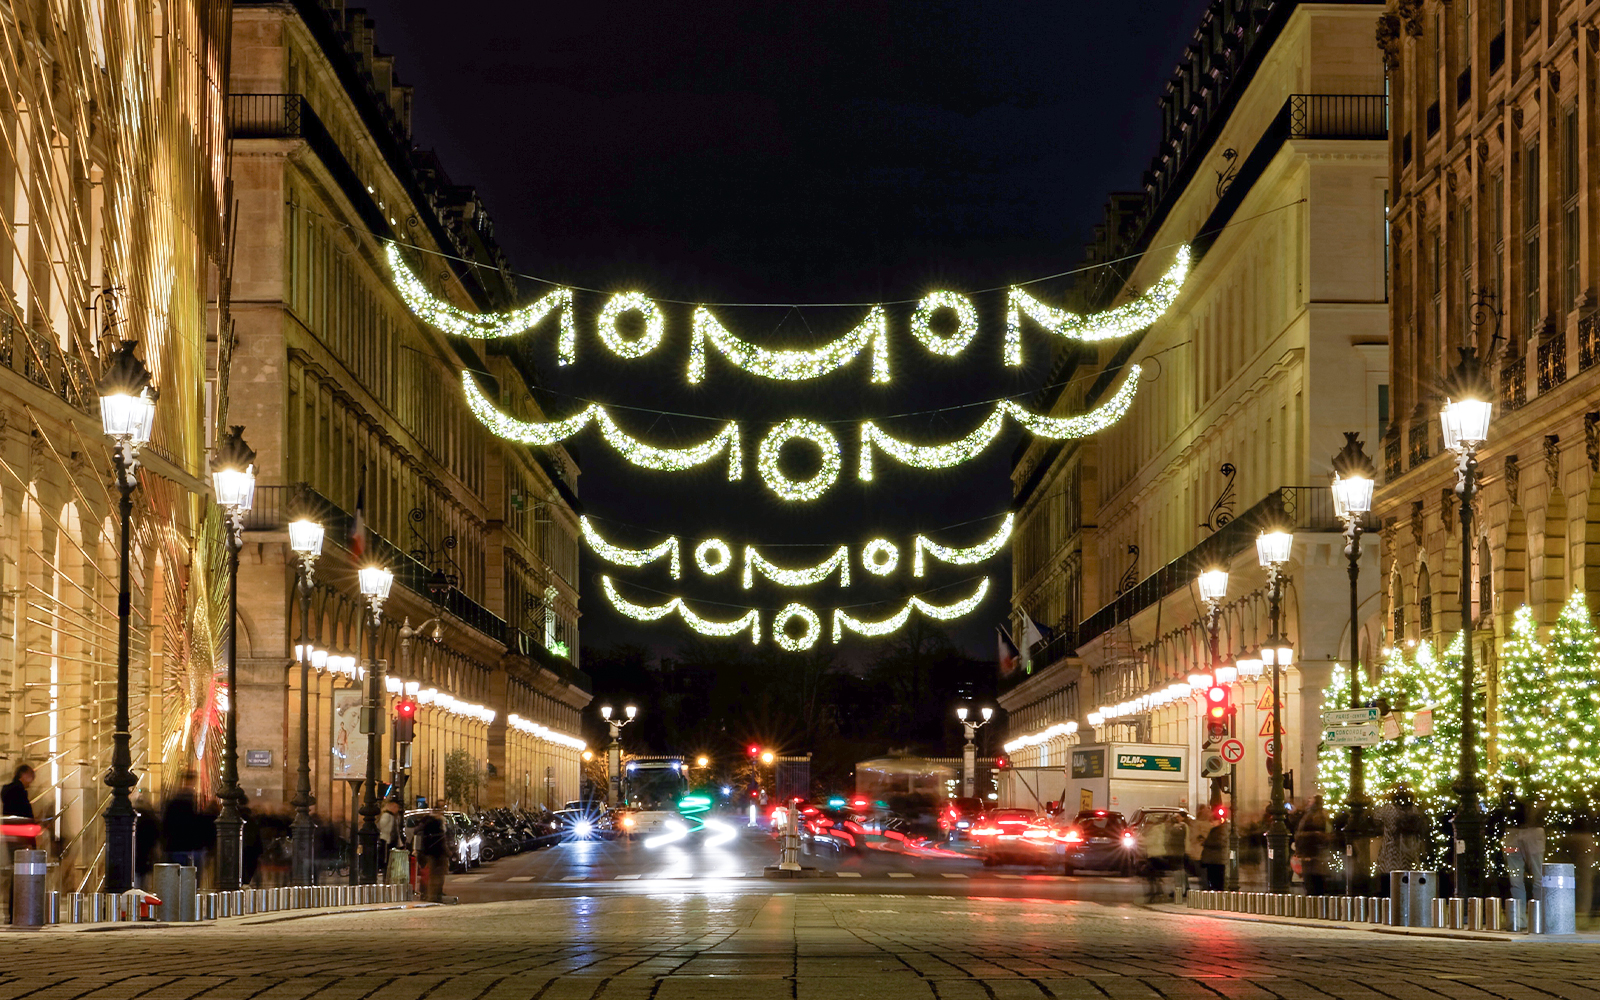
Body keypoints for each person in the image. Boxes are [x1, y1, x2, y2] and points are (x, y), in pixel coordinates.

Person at [1374, 784, 1427, 895]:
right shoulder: (1415, 810)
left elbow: (1374, 819)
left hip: (1390, 857)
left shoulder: (1388, 809)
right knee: (1407, 891)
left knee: (1389, 891)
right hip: (1410, 857)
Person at [161, 771, 213, 871]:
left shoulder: (172, 803)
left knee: (176, 877)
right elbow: (199, 825)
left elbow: (166, 825)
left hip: (175, 847)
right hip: (191, 848)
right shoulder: (195, 803)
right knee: (192, 878)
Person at [1503, 796, 1544, 908]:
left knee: (1516, 878)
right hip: (1533, 832)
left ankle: (1519, 917)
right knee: (1538, 875)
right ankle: (1539, 914)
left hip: (1512, 832)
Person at [1294, 796, 1332, 896]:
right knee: (1318, 880)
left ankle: (1313, 900)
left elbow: (1302, 832)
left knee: (1311, 880)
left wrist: (1300, 845)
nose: (1308, 801)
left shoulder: (1311, 815)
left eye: (1311, 800)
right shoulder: (1323, 814)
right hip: (1317, 853)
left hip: (1309, 852)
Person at [413, 805, 449, 902]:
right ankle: (433, 896)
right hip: (436, 853)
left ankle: (427, 895)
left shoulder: (424, 823)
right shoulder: (436, 823)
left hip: (426, 852)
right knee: (435, 876)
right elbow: (441, 840)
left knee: (428, 875)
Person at [1201, 815, 1228, 890]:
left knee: (1217, 881)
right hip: (1213, 860)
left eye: (1213, 821)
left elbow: (1220, 843)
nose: (1211, 823)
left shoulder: (1221, 830)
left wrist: (1206, 842)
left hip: (1217, 860)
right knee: (1212, 880)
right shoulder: (1215, 830)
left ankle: (1218, 897)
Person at [378, 799, 401, 875]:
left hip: (391, 839)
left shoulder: (393, 816)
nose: (397, 809)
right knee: (386, 855)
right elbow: (382, 825)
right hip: (387, 839)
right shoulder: (387, 815)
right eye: (395, 807)